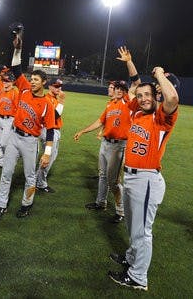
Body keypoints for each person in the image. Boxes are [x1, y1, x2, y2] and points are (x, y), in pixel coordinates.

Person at [108, 47, 179, 291]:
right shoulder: (137, 112)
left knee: (142, 231)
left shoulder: (163, 118)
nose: (144, 98)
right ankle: (131, 258)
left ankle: (138, 277)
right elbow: (136, 83)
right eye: (141, 96)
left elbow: (171, 99)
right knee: (132, 225)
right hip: (131, 177)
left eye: (149, 95)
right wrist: (130, 62)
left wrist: (159, 74)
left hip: (147, 180)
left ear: (156, 95)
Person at [0, 33, 55, 219]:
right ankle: (0, 204)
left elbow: (50, 131)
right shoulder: (25, 89)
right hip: (14, 136)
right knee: (7, 173)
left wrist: (47, 153)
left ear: (44, 82)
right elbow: (16, 68)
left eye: (36, 80)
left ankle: (26, 205)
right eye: (32, 79)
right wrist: (17, 49)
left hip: (30, 141)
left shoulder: (47, 104)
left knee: (29, 176)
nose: (32, 81)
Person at [74, 79, 131, 223]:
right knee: (102, 175)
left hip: (118, 146)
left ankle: (121, 211)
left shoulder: (128, 103)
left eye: (122, 89)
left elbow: (135, 84)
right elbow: (100, 122)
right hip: (105, 143)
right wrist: (83, 131)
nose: (119, 90)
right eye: (117, 88)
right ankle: (101, 203)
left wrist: (129, 62)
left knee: (114, 181)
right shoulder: (110, 104)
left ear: (126, 92)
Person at [36, 78, 65, 193]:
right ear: (49, 87)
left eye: (60, 86)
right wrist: (62, 101)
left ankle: (37, 179)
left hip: (54, 130)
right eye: (56, 86)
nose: (58, 88)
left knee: (52, 156)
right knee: (49, 157)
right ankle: (40, 183)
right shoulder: (47, 99)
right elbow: (54, 116)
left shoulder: (54, 98)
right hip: (48, 131)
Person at [0, 73, 18, 169]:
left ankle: (9, 159)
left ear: (12, 82)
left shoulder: (15, 93)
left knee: (4, 143)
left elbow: (18, 109)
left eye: (8, 81)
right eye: (4, 81)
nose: (6, 83)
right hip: (0, 119)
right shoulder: (1, 92)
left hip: (10, 120)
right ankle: (1, 163)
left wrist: (15, 122)